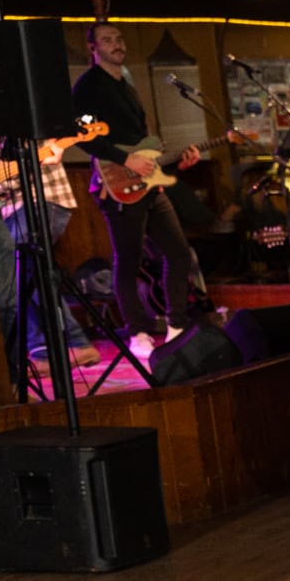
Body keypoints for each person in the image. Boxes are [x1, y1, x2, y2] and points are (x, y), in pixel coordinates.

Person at [70, 21, 209, 344]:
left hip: (148, 184)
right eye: (107, 39)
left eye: (119, 38)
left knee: (179, 254)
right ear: (93, 48)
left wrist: (175, 161)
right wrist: (125, 159)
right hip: (116, 184)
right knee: (128, 261)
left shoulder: (127, 85)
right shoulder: (88, 86)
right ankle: (137, 333)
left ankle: (176, 326)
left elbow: (144, 143)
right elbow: (81, 134)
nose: (116, 43)